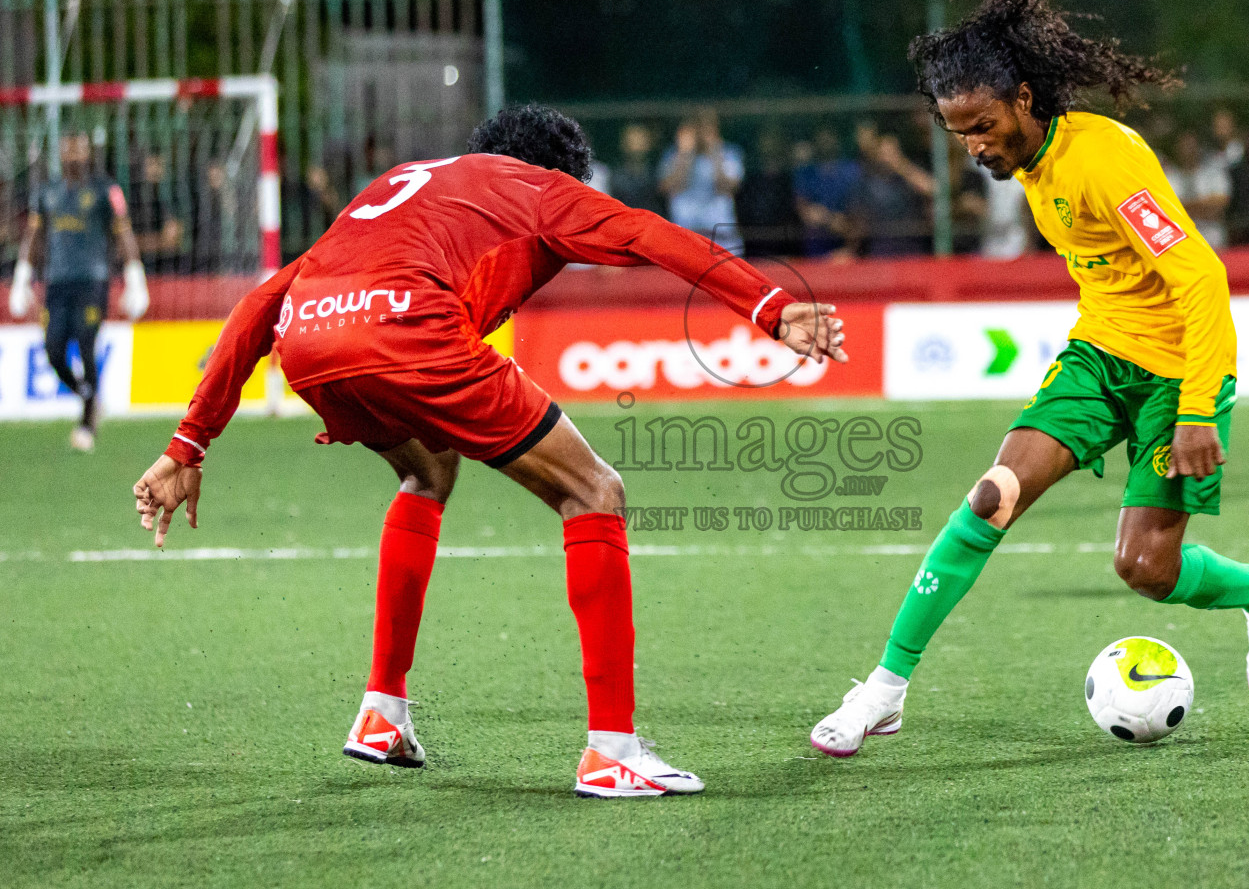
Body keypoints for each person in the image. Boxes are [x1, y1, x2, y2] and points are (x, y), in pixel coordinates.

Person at [130, 104, 845, 797]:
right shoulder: (536, 185)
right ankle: (612, 752)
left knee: (427, 471)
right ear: (559, 172)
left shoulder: (402, 184)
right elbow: (643, 234)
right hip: (409, 328)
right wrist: (770, 308)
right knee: (594, 491)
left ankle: (382, 711)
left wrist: (188, 443)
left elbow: (262, 303)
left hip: (312, 342)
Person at [808, 0, 1249, 759]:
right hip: (1101, 356)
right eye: (957, 131)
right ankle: (883, 691)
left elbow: (1201, 278)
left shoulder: (1103, 159)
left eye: (983, 124)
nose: (973, 145)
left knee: (1144, 568)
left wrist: (1202, 406)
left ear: (1026, 98)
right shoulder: (1030, 163)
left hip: (1179, 374)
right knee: (989, 498)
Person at [9, 132, 149, 451]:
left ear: (88, 153)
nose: (73, 155)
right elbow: (34, 236)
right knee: (53, 349)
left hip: (92, 280)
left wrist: (134, 273)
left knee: (86, 342)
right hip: (57, 282)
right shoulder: (47, 193)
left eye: (78, 149)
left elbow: (123, 231)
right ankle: (89, 396)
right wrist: (23, 275)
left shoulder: (106, 190)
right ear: (60, 153)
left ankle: (87, 423)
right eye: (68, 149)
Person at [658, 109, 744, 255]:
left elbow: (728, 187)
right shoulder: (673, 155)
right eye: (698, 127)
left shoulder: (729, 153)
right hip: (686, 235)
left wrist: (715, 152)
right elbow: (666, 188)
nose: (702, 133)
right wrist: (685, 154)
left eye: (707, 127)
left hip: (721, 236)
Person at [848, 123, 933, 257]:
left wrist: (900, 165)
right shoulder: (866, 183)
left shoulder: (909, 176)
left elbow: (932, 189)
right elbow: (858, 223)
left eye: (892, 152)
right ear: (876, 155)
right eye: (884, 153)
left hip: (913, 249)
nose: (888, 158)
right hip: (880, 251)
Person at [793, 126, 860, 258]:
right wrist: (830, 220)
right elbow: (805, 212)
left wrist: (850, 247)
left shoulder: (851, 170)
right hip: (814, 253)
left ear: (837, 138)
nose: (825, 140)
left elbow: (857, 218)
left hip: (846, 254)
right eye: (821, 136)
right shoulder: (805, 172)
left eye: (829, 135)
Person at [735, 128, 802, 257]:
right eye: (766, 139)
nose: (770, 144)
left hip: (785, 249)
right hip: (754, 249)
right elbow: (744, 214)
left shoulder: (789, 179)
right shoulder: (751, 179)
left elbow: (793, 213)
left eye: (774, 139)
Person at [1161, 130, 1231, 249]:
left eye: (1192, 145)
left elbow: (1221, 203)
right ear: (1177, 148)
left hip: (1213, 234)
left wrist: (1184, 207)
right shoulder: (1168, 177)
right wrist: (1204, 204)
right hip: (1180, 237)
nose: (1189, 150)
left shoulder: (1213, 173)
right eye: (1185, 145)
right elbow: (1166, 210)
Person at [1212, 108, 1249, 247]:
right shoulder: (1212, 156)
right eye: (1217, 125)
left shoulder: (1245, 154)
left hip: (1243, 219)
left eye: (1224, 124)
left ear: (1233, 125)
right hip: (1223, 219)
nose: (1221, 129)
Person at [608, 123, 666, 218]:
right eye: (632, 141)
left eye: (640, 141)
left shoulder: (657, 171)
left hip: (654, 226)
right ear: (624, 144)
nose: (637, 146)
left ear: (648, 144)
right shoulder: (616, 176)